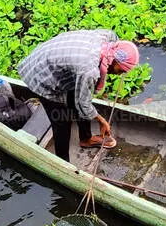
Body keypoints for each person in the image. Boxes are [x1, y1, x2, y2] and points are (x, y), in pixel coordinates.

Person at [17, 29, 140, 162]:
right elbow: (84, 104)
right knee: (62, 120)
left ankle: (86, 139)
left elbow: (82, 100)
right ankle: (62, 162)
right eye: (120, 70)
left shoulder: (108, 38)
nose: (119, 74)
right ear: (114, 61)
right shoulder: (89, 70)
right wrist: (102, 121)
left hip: (61, 65)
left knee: (79, 98)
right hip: (41, 74)